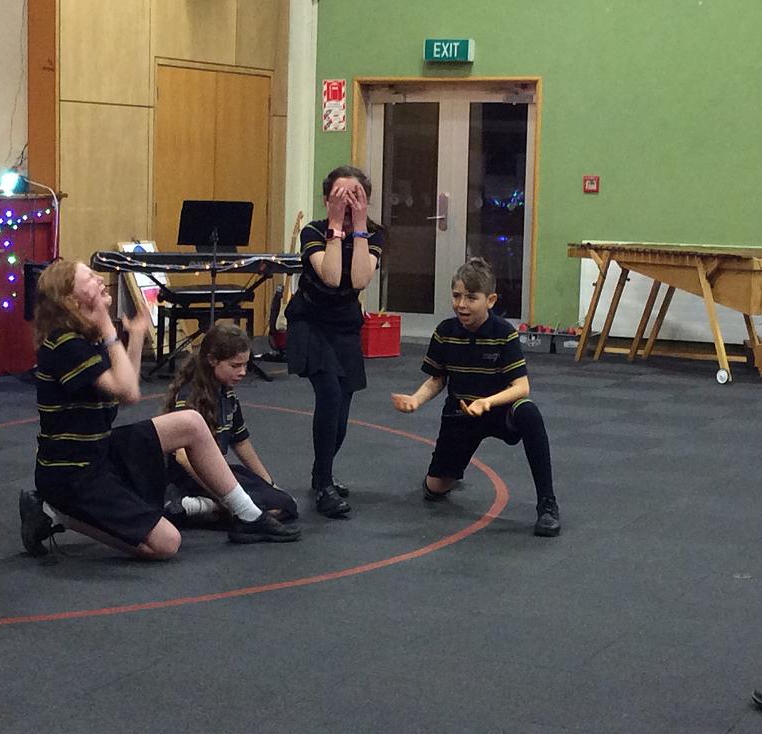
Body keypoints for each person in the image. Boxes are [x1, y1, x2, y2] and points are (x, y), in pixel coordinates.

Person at [19, 259, 300, 559]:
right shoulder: (64, 343)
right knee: (166, 544)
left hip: (100, 450)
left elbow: (128, 393)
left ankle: (248, 516)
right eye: (89, 277)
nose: (99, 279)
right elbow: (127, 390)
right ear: (71, 300)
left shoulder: (84, 339)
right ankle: (54, 511)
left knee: (191, 423)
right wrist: (107, 326)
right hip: (72, 473)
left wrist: (136, 336)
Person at [390, 257, 561, 537]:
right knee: (434, 489)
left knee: (528, 412)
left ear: (490, 300)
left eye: (471, 298)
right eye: (457, 296)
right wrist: (415, 400)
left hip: (498, 410)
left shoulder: (504, 333)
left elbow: (522, 387)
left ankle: (547, 504)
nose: (462, 304)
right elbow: (437, 380)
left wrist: (487, 402)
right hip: (461, 413)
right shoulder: (444, 332)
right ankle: (450, 475)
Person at [284, 165, 384, 518]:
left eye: (356, 196)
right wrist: (335, 226)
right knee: (328, 394)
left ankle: (320, 472)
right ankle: (325, 485)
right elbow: (330, 275)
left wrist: (359, 226)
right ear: (326, 200)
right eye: (340, 196)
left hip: (344, 326)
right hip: (310, 322)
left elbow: (358, 280)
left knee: (342, 406)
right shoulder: (313, 231)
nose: (348, 202)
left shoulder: (373, 235)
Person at [160, 324, 299, 526]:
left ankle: (200, 506)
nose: (243, 372)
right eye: (235, 366)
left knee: (284, 503)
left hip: (216, 470)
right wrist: (224, 495)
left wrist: (270, 484)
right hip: (189, 477)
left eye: (245, 365)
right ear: (212, 360)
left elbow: (241, 442)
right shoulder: (189, 397)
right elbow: (183, 457)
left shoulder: (227, 394)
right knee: (266, 508)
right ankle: (192, 503)